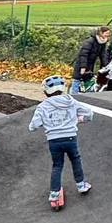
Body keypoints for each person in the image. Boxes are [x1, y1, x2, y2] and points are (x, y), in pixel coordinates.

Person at [29, 74, 93, 210]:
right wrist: (80, 119)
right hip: (70, 138)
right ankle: (81, 185)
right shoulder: (71, 101)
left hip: (54, 141)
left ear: (46, 92)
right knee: (75, 159)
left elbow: (34, 125)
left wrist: (37, 126)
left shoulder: (42, 106)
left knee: (57, 165)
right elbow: (89, 113)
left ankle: (54, 193)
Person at [72, 26, 112, 93]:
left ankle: (86, 94)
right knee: (77, 78)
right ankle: (73, 94)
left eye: (108, 33)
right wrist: (83, 67)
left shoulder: (103, 42)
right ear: (101, 33)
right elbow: (84, 54)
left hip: (91, 63)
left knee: (88, 78)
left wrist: (105, 66)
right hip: (82, 62)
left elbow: (103, 55)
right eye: (106, 33)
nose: (108, 35)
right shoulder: (90, 41)